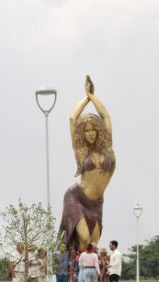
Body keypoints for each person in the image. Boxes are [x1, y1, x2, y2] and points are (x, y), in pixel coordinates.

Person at [59, 75, 116, 253]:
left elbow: (106, 116)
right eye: (87, 131)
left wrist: (93, 96)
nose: (91, 133)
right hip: (76, 197)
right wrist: (86, 97)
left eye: (93, 130)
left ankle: (86, 278)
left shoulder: (108, 148)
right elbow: (71, 119)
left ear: (98, 131)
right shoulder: (81, 152)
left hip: (97, 202)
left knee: (93, 244)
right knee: (83, 238)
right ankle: (81, 278)